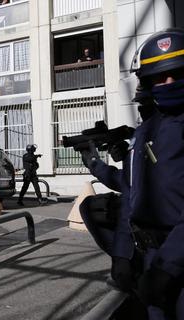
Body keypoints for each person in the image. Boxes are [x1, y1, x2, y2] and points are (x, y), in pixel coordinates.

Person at [80, 28, 184, 320]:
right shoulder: (146, 131)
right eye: (160, 77)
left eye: (177, 74)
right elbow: (132, 191)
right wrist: (123, 254)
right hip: (150, 257)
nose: (169, 83)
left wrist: (168, 266)